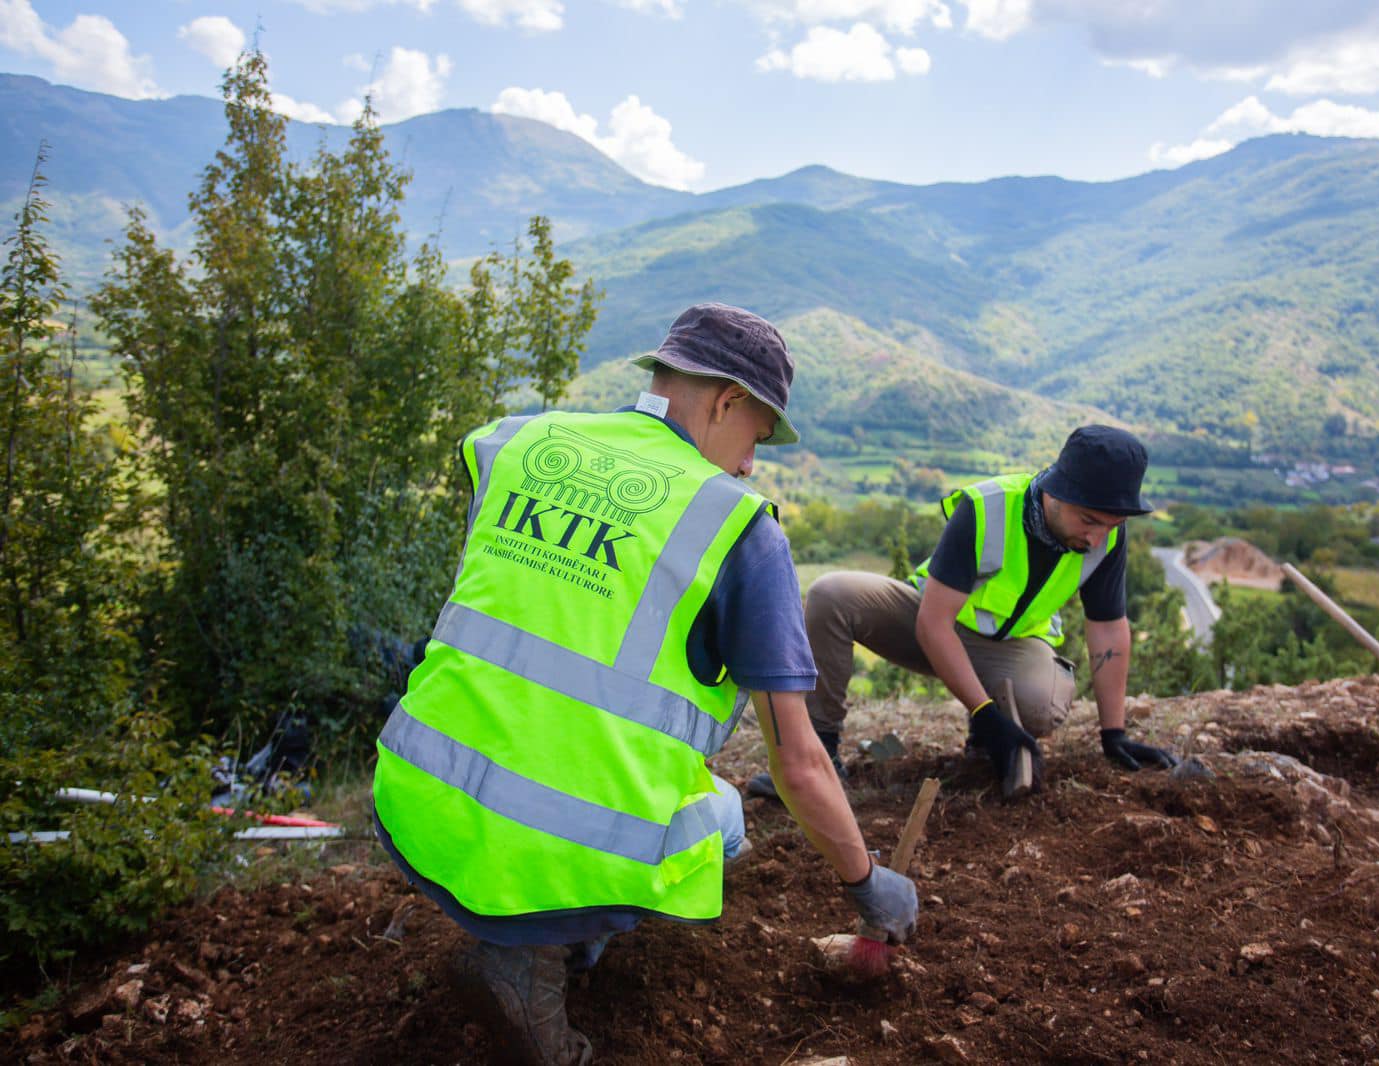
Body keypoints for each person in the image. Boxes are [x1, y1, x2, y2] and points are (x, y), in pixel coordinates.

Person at [372, 304, 917, 1065]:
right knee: (724, 820)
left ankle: (523, 922)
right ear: (726, 401)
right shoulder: (735, 525)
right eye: (757, 435)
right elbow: (797, 763)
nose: (751, 463)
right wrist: (867, 883)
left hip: (418, 794)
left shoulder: (522, 442)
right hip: (556, 834)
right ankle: (538, 954)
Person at [749, 425, 1176, 798]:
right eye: (1089, 520)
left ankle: (984, 746)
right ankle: (818, 751)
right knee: (831, 594)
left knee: (1042, 707)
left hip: (1010, 650)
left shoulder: (1105, 541)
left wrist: (1113, 733)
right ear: (1055, 493)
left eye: (1111, 526)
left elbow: (1108, 631)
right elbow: (934, 625)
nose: (1098, 537)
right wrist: (986, 713)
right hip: (929, 624)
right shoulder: (987, 508)